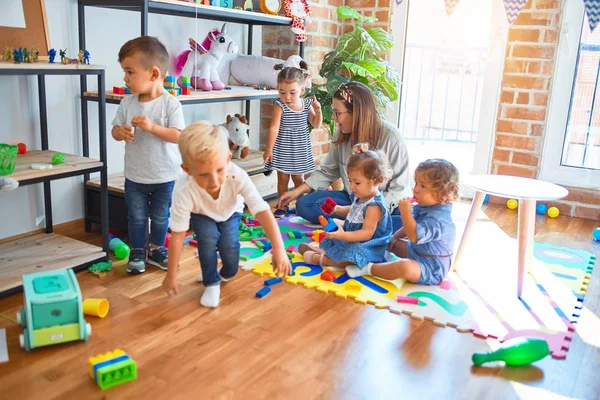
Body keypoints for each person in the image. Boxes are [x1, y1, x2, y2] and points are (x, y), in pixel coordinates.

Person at [162, 121, 291, 308]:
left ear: (228, 159)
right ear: (187, 170)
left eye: (220, 170)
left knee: (229, 248)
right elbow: (177, 235)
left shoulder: (237, 176)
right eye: (204, 175)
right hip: (202, 214)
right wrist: (171, 274)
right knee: (207, 242)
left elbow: (262, 210)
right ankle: (211, 282)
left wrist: (279, 249)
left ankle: (225, 273)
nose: (214, 181)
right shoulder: (183, 189)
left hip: (231, 212)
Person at [278, 81, 410, 232]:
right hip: (352, 199)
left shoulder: (391, 137)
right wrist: (296, 192)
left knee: (402, 218)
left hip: (383, 204)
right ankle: (362, 223)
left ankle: (366, 223)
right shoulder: (341, 134)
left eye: (338, 113)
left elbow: (400, 188)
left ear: (356, 112)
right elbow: (328, 171)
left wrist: (372, 210)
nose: (334, 118)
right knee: (304, 205)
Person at [111, 36, 185, 274]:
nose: (125, 78)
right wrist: (120, 132)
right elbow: (114, 130)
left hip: (164, 176)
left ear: (153, 74)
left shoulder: (170, 105)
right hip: (135, 176)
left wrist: (152, 127)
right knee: (137, 218)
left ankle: (156, 248)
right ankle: (137, 250)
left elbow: (178, 135)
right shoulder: (127, 103)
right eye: (125, 71)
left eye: (129, 72)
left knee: (161, 218)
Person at [346, 159, 459, 286]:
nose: (415, 189)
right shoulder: (427, 207)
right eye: (416, 183)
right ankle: (376, 257)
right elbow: (409, 226)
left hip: (431, 267)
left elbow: (414, 236)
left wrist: (405, 212)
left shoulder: (439, 220)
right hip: (418, 252)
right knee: (387, 241)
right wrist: (395, 237)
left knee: (403, 267)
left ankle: (368, 269)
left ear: (441, 193)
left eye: (422, 186)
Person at [298, 144, 393, 273]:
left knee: (353, 255)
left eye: (357, 182)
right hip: (352, 236)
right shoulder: (362, 196)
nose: (352, 186)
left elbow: (366, 233)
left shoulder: (374, 206)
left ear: (377, 181)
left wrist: (344, 235)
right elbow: (354, 210)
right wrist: (337, 209)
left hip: (367, 245)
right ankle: (325, 251)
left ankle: (322, 259)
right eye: (350, 181)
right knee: (332, 237)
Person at [263, 62, 322, 218]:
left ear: (302, 90)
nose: (286, 97)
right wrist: (268, 149)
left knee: (298, 178)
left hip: (300, 147)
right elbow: (273, 128)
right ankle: (283, 205)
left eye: (292, 92)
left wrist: (318, 110)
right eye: (282, 92)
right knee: (282, 178)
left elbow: (316, 124)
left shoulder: (307, 104)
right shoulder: (279, 106)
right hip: (283, 147)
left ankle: (301, 204)